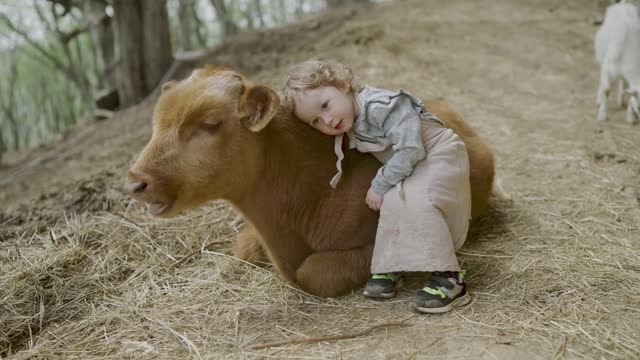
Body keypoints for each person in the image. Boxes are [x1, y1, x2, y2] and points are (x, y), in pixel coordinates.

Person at [282, 59, 472, 314]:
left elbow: (411, 149)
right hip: (409, 164)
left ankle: (450, 278)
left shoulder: (381, 106)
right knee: (392, 202)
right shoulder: (348, 121)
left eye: (325, 105)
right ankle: (390, 266)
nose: (327, 120)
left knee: (417, 199)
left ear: (343, 84)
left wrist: (380, 184)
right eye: (315, 121)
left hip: (436, 152)